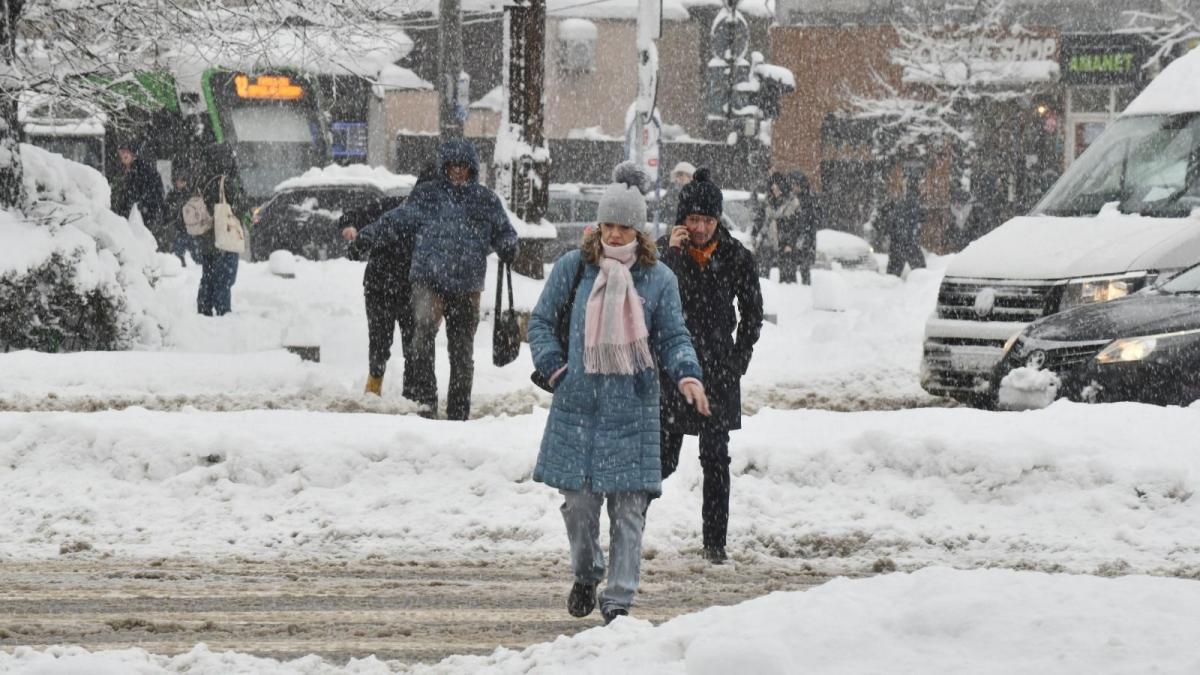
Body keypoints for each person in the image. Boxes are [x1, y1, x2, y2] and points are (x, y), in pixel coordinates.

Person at [528, 162, 709, 625]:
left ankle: (619, 601)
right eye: (608, 224)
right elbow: (541, 322)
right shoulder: (574, 268)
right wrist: (557, 369)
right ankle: (587, 573)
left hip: (633, 411)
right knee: (579, 509)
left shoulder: (658, 279)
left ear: (639, 231)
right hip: (579, 410)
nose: (613, 234)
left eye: (623, 227)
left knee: (629, 514)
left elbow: (674, 337)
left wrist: (687, 375)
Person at [345, 140, 518, 420]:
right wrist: (365, 238)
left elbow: (505, 231)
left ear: (472, 168)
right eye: (453, 166)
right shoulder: (427, 196)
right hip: (429, 282)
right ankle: (425, 403)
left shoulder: (486, 200)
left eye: (463, 166)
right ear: (444, 167)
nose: (458, 171)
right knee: (422, 341)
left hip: (467, 287)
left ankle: (458, 412)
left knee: (462, 352)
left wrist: (509, 245)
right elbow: (394, 221)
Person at [656, 168, 763, 565]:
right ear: (681, 219)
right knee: (662, 456)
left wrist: (739, 359)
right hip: (673, 367)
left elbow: (752, 312)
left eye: (708, 220)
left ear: (718, 220)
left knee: (716, 459)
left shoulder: (737, 257)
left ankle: (714, 545)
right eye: (693, 219)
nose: (700, 228)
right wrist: (671, 254)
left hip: (718, 370)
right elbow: (647, 293)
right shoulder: (665, 253)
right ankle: (629, 525)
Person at [343, 163, 437, 398]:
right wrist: (351, 227)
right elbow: (362, 218)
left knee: (407, 347)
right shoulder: (398, 207)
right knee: (386, 344)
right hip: (382, 286)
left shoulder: (438, 218)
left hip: (406, 288)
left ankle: (405, 394)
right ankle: (383, 392)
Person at [194, 144, 245, 316]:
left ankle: (204, 309)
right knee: (225, 276)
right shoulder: (226, 181)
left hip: (207, 236)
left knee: (208, 275)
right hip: (224, 236)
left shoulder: (203, 179)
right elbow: (238, 206)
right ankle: (223, 310)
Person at [113, 141, 166, 250]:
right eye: (121, 152)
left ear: (133, 154)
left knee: (142, 246)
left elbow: (149, 192)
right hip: (133, 215)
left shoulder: (142, 170)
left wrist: (142, 205)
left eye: (126, 152)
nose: (123, 155)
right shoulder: (122, 170)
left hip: (144, 215)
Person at [882, 174, 927, 277]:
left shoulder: (904, 202)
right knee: (922, 274)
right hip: (907, 243)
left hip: (899, 244)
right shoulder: (913, 202)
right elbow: (907, 223)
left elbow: (895, 221)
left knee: (892, 275)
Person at [162, 167, 196, 266]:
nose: (179, 183)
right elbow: (166, 208)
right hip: (177, 226)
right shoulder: (172, 194)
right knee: (178, 249)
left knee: (192, 250)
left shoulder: (189, 194)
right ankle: (180, 262)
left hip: (188, 226)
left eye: (182, 181)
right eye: (178, 181)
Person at [656, 161, 695, 228]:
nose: (680, 178)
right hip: (673, 228)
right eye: (678, 175)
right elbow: (660, 209)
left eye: (683, 175)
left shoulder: (695, 193)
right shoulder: (671, 192)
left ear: (690, 177)